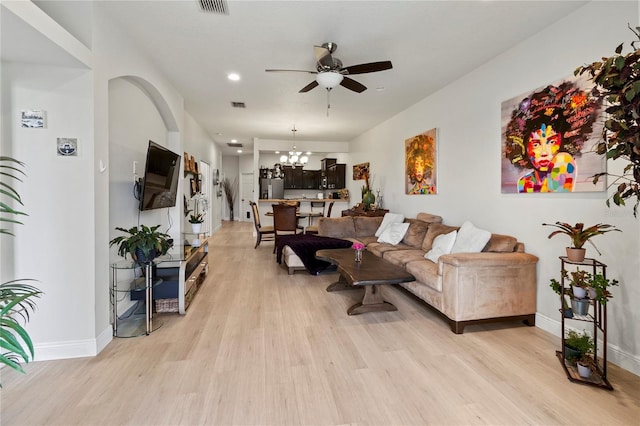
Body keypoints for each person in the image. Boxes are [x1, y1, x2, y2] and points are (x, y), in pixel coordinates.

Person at [505, 81, 600, 193]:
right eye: (536, 144)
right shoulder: (525, 182)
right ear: (524, 147)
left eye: (551, 142)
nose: (544, 152)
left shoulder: (563, 161)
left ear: (562, 142)